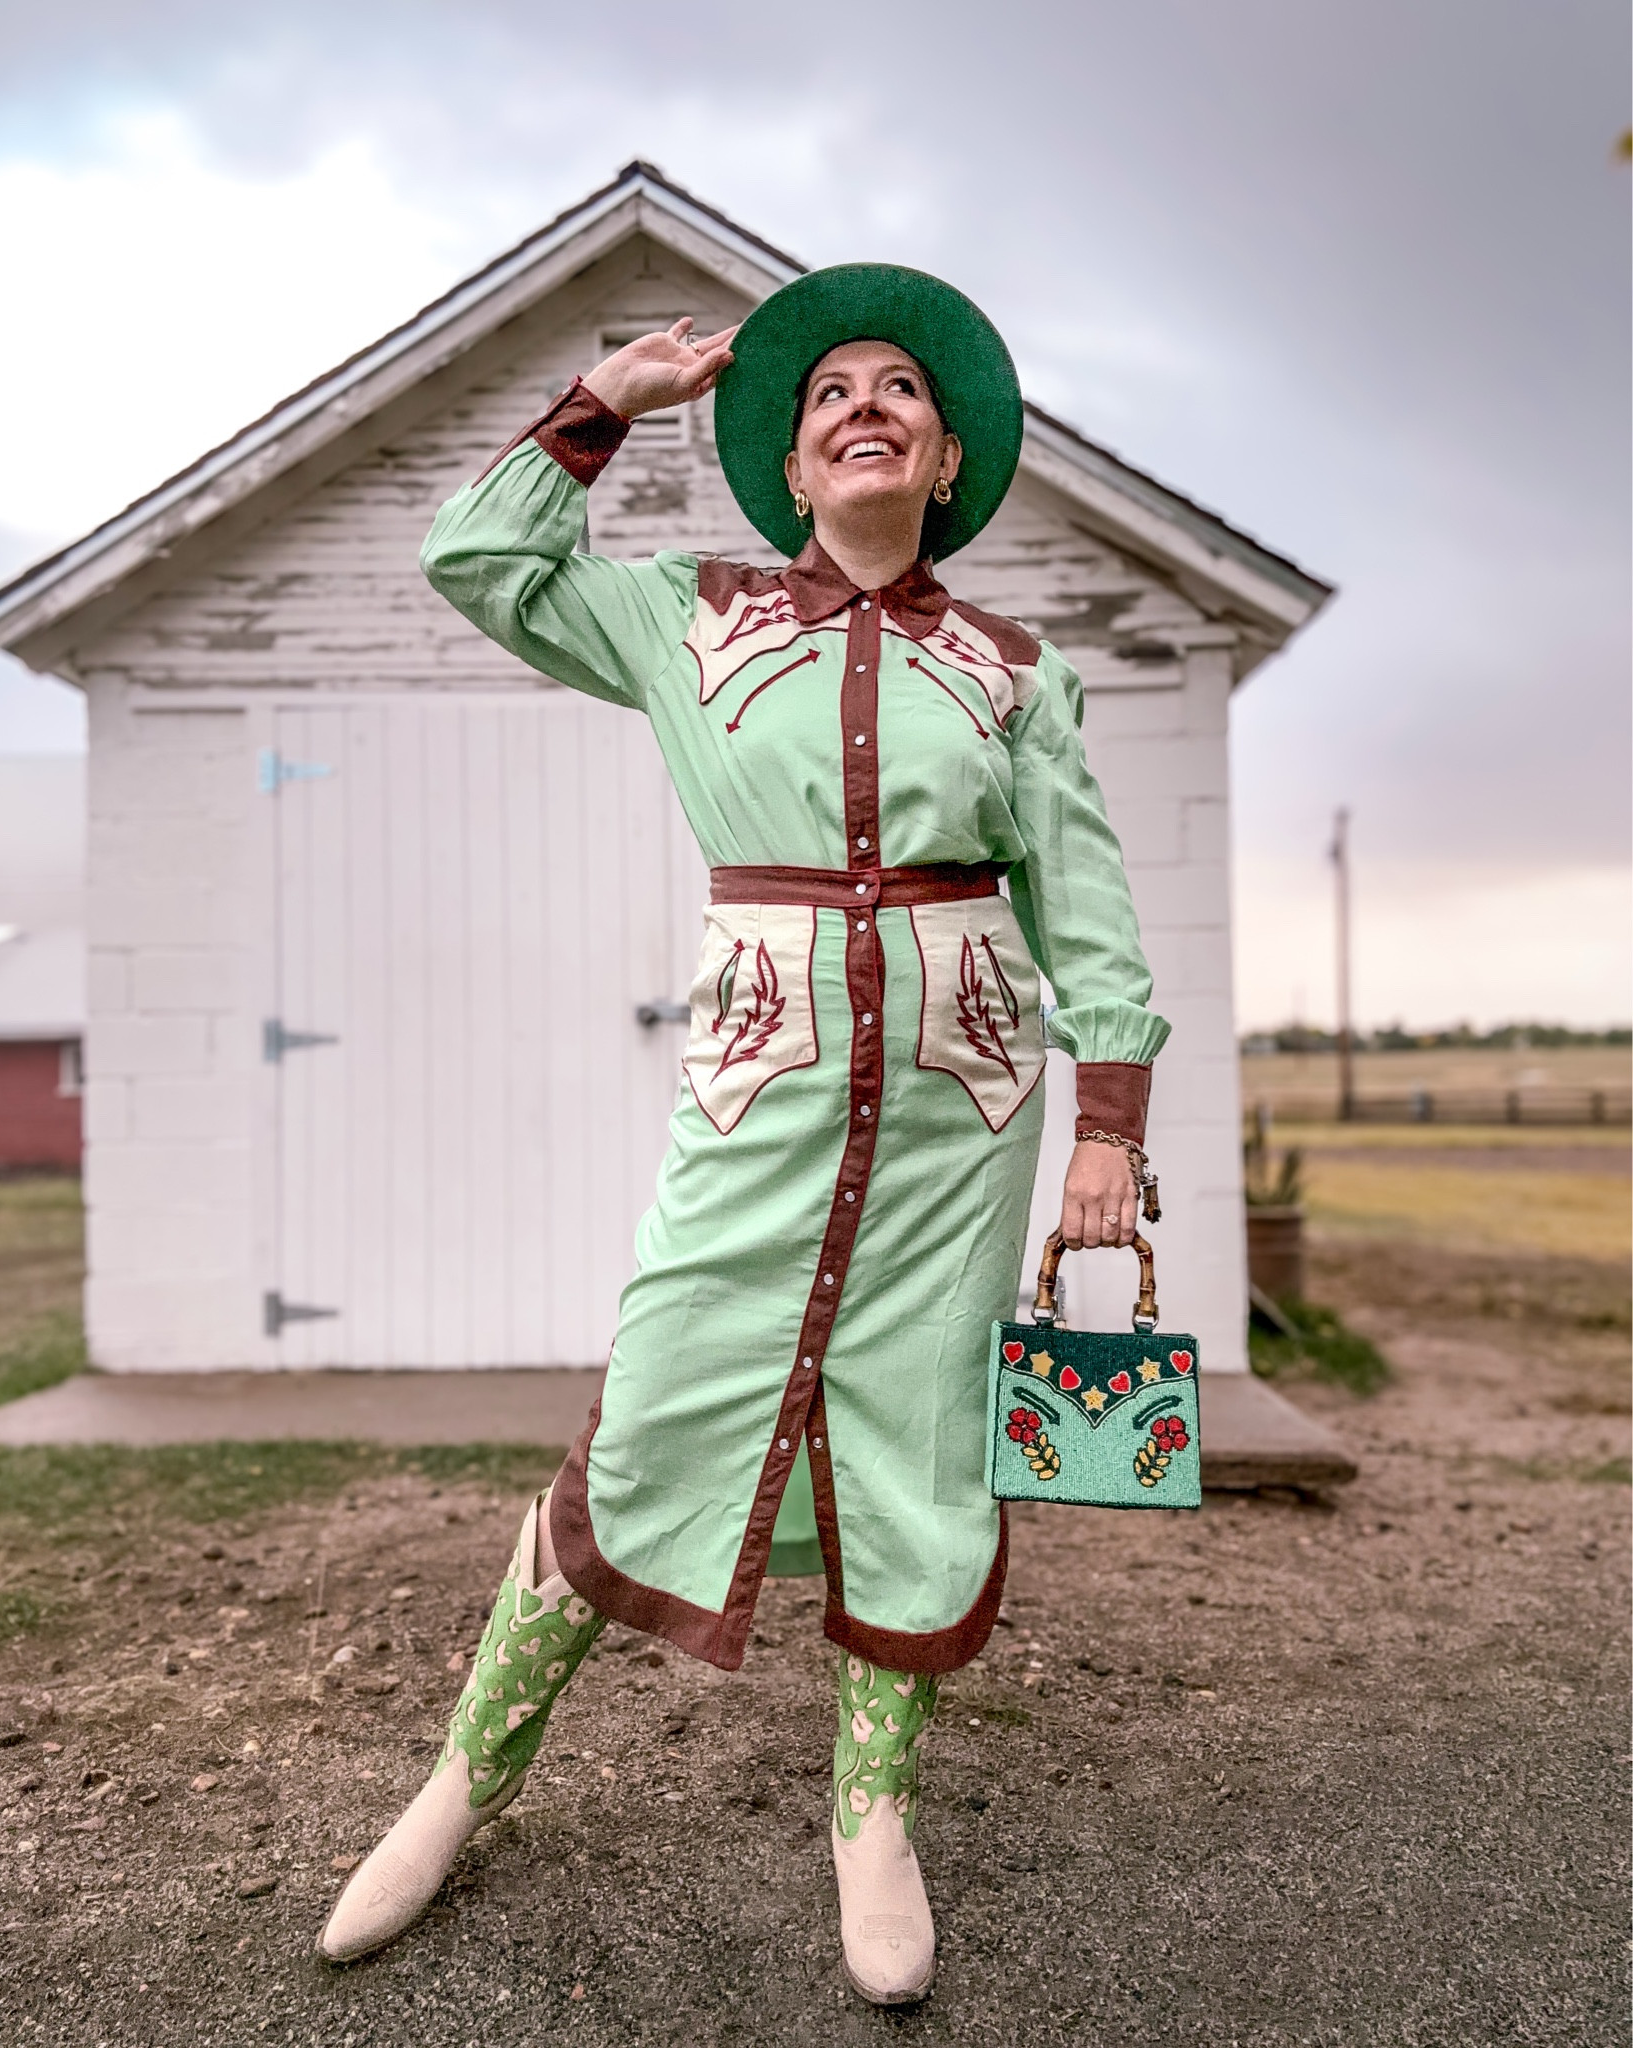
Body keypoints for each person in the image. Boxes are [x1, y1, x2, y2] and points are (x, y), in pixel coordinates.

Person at [317, 264, 1169, 2005]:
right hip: (760, 1085)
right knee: (649, 1416)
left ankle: (870, 1815)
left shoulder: (1015, 672)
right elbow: (476, 562)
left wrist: (1107, 1133)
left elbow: (1085, 907)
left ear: (945, 462)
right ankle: (460, 1783)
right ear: (791, 469)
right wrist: (608, 405)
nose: (865, 405)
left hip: (963, 1107)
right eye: (830, 395)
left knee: (921, 1446)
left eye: (900, 395)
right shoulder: (682, 617)